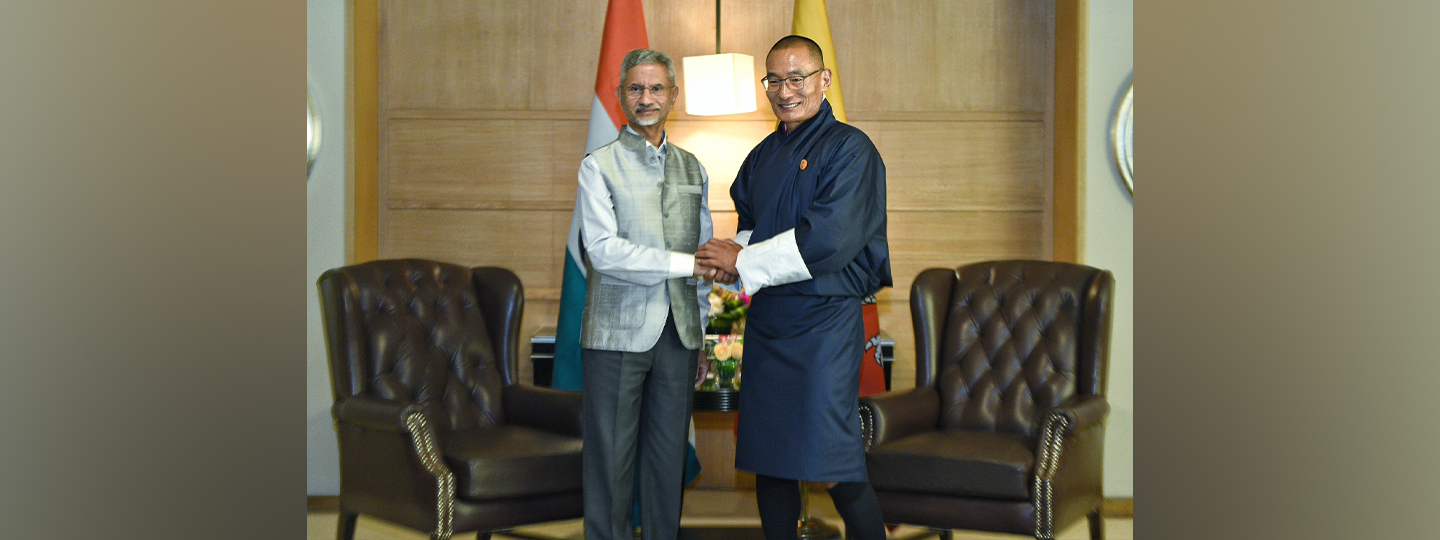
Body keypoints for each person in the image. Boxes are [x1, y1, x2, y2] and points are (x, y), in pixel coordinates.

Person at [696, 35, 891, 540]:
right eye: (775, 80)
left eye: (797, 78)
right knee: (770, 456)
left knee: (834, 460)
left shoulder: (852, 150)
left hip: (823, 324)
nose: (785, 91)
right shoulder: (762, 154)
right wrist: (728, 269)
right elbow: (751, 228)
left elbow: (826, 242)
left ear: (824, 80)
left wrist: (743, 260)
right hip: (769, 322)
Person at [575, 48, 732, 540]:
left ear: (673, 97)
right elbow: (604, 252)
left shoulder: (694, 168)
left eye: (657, 88)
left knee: (667, 466)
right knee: (611, 468)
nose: (647, 98)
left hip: (680, 335)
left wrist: (703, 334)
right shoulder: (598, 166)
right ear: (620, 96)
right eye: (636, 89)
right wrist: (686, 263)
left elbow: (704, 259)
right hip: (616, 336)